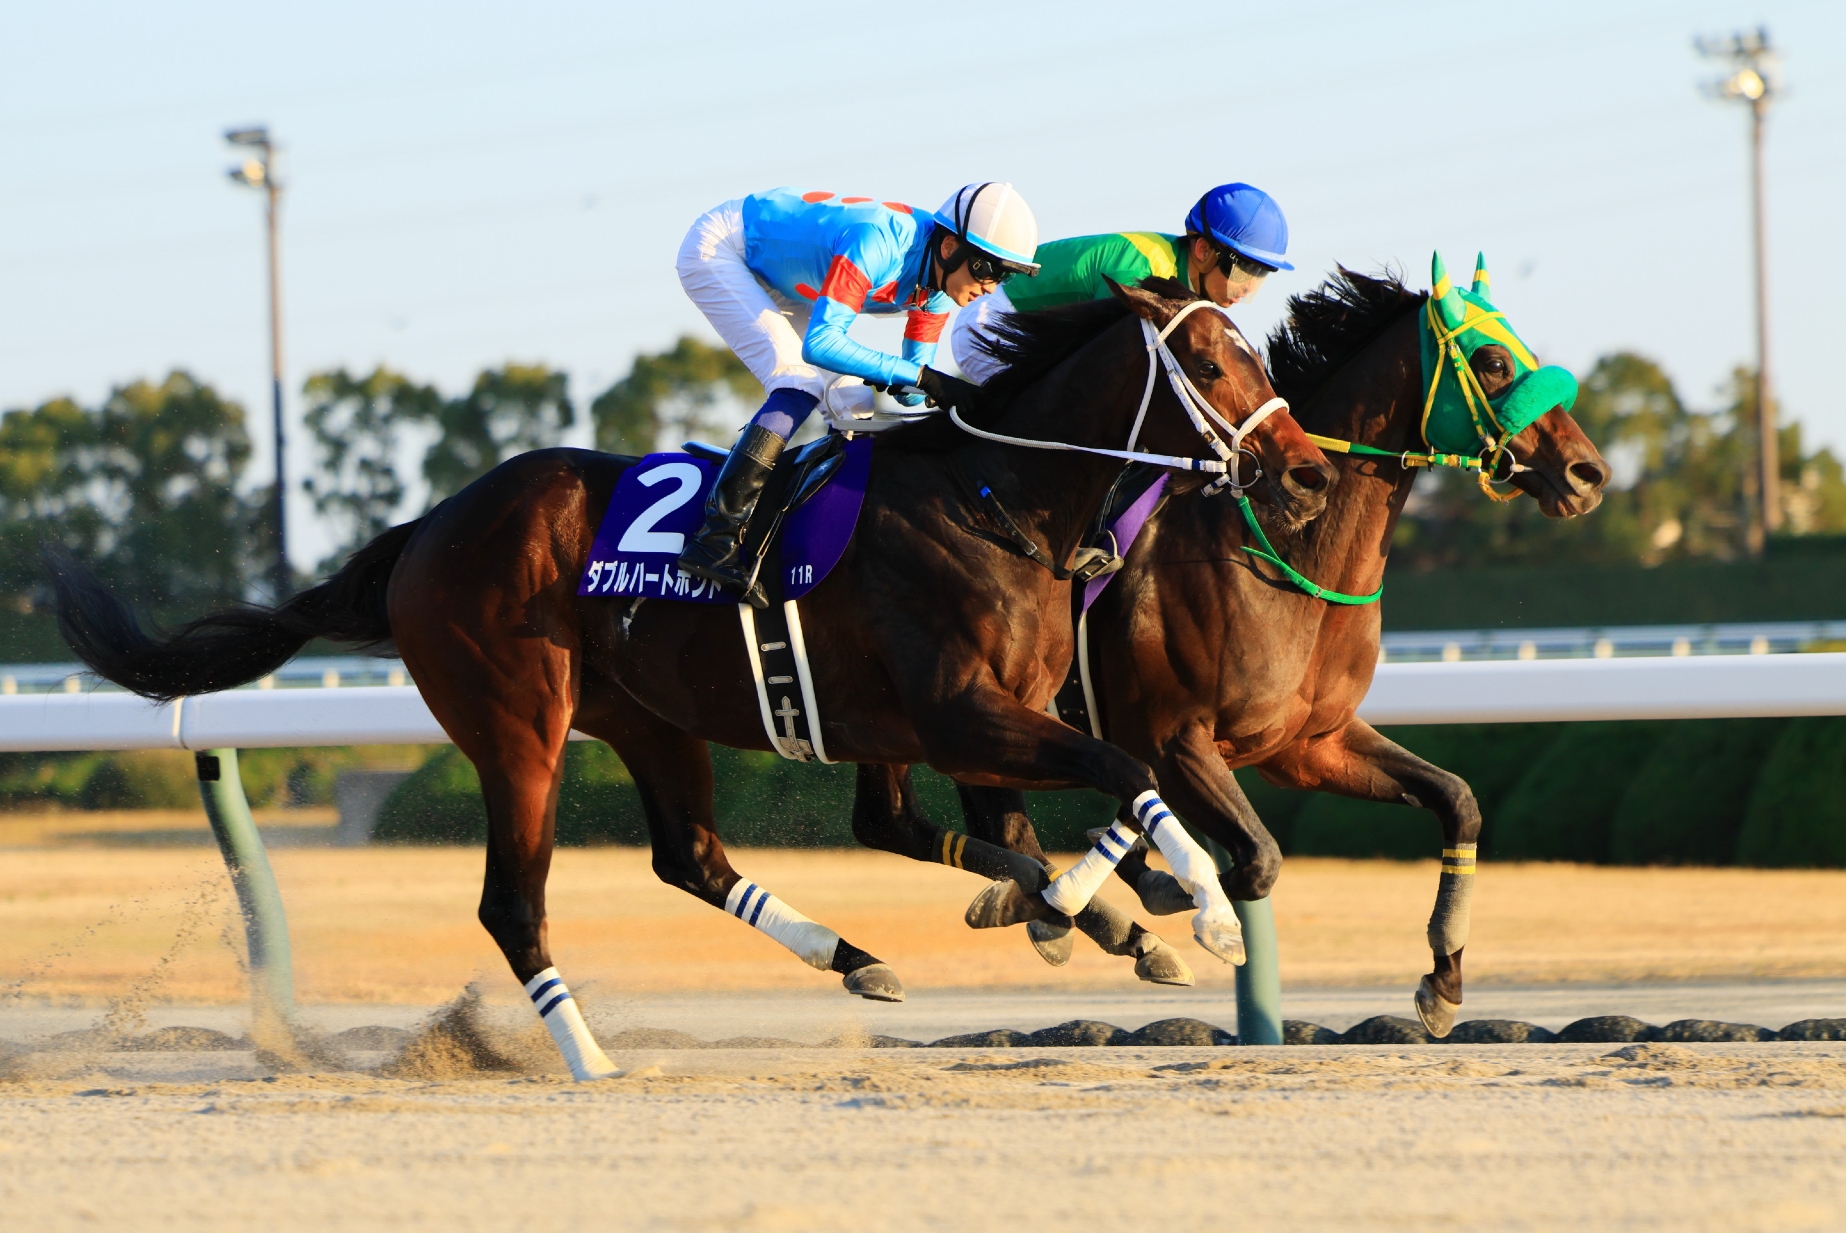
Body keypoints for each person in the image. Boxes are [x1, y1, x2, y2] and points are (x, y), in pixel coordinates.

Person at [674, 183, 1040, 604]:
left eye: (1004, 274)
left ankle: (832, 538)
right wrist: (927, 379)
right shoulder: (879, 241)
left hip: (781, 277)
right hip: (724, 249)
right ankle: (715, 537)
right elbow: (822, 346)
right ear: (950, 247)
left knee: (855, 405)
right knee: (798, 381)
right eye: (985, 268)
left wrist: (964, 403)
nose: (992, 286)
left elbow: (911, 392)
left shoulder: (935, 292)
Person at [951, 182, 1291, 386]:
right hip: (991, 322)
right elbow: (1106, 361)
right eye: (1243, 273)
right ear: (1203, 250)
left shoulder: (1178, 273)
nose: (1246, 289)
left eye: (1257, 278)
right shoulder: (1144, 273)